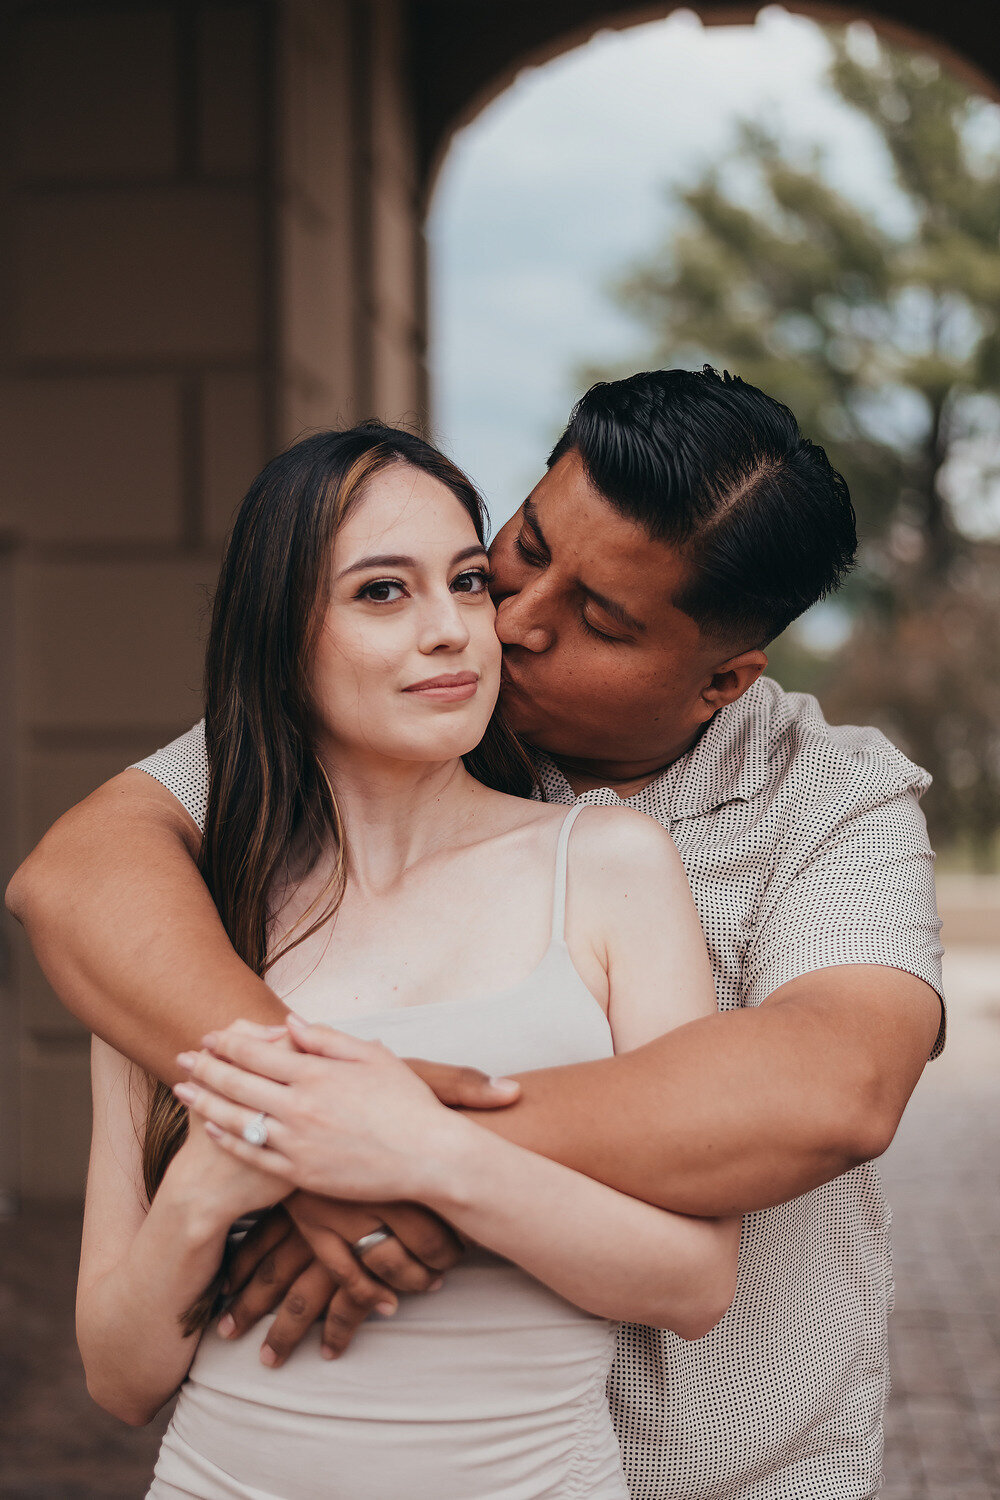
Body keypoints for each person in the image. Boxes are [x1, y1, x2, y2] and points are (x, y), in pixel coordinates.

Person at [7, 368, 944, 1500]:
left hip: (722, 1472)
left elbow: (832, 1085)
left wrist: (388, 1141)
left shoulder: (828, 801)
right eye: (523, 549)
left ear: (721, 684)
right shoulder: (379, 718)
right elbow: (81, 875)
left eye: (596, 620)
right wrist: (304, 1138)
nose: (507, 621)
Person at [75, 422, 740, 1499]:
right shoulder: (184, 927)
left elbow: (694, 1282)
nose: (452, 631)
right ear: (281, 637)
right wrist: (211, 1184)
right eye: (382, 593)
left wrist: (421, 1154)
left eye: (467, 581)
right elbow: (119, 1375)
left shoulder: (610, 865)